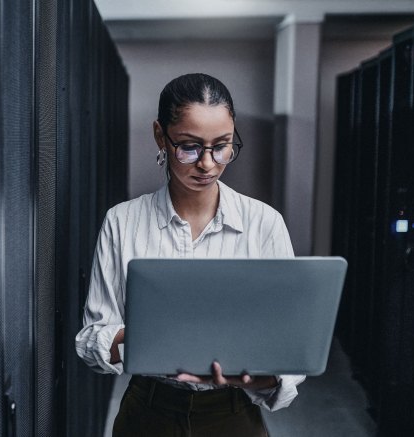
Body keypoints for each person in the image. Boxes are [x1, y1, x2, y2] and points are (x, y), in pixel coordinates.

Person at [75, 73, 306, 436]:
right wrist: (144, 340)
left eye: (223, 145)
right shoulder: (122, 222)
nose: (208, 163)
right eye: (190, 146)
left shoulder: (264, 224)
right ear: (160, 136)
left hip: (233, 413)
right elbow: (92, 339)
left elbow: (290, 347)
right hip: (148, 411)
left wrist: (258, 377)